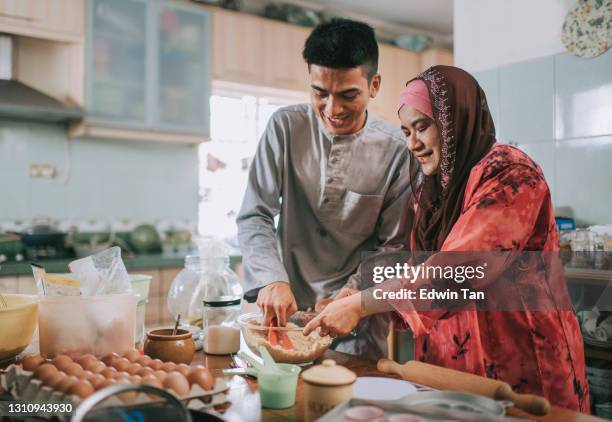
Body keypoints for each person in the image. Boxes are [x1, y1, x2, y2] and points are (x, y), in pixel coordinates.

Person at [304, 65, 589, 412]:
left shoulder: (510, 174)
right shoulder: (434, 191)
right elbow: (417, 270)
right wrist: (357, 293)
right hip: (454, 368)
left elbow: (458, 271)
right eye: (406, 131)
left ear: (454, 119)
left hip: (522, 363)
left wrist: (361, 304)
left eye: (422, 127)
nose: (413, 144)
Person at [236, 18, 413, 359]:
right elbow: (255, 214)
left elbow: (392, 247)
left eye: (349, 95)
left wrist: (351, 294)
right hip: (281, 317)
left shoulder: (397, 150)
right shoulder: (285, 127)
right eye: (320, 93)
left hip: (355, 325)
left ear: (374, 85)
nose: (332, 109)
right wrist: (272, 279)